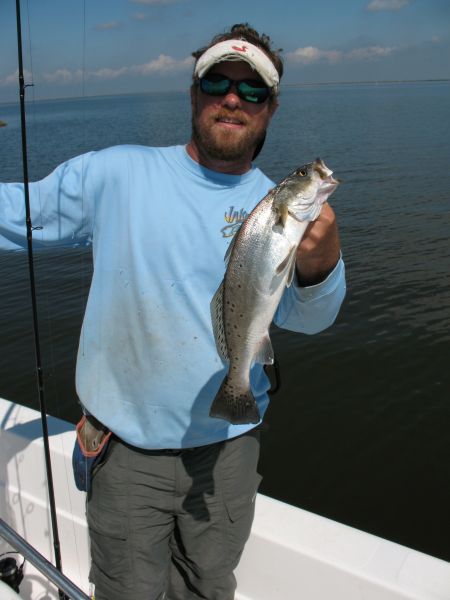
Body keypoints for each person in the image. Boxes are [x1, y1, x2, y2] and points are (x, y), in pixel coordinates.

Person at [0, 23, 345, 600]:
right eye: (216, 82)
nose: (232, 98)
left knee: (208, 588)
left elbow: (310, 318)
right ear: (193, 93)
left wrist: (322, 260)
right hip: (124, 451)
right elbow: (19, 212)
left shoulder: (285, 214)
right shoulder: (117, 173)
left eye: (252, 90)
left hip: (229, 448)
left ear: (270, 107)